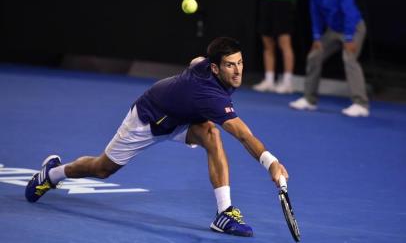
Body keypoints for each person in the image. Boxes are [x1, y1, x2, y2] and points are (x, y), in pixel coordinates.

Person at [25, 37, 289, 237]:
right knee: (103, 168)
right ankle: (52, 174)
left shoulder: (207, 68)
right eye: (230, 65)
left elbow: (196, 61)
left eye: (240, 63)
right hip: (148, 119)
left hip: (179, 118)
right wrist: (271, 162)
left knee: (211, 134)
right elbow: (243, 135)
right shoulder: (210, 95)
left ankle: (224, 213)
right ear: (216, 69)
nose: (238, 70)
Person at [290, 0, 370, 117]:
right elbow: (314, 11)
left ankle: (361, 104)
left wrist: (350, 37)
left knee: (349, 59)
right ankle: (310, 100)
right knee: (314, 56)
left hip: (352, 28)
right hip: (333, 30)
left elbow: (349, 11)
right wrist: (317, 36)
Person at [253, 0, 299, 94]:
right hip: (266, 0)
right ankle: (269, 80)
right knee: (267, 43)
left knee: (284, 43)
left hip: (283, 2)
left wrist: (291, 0)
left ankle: (288, 82)